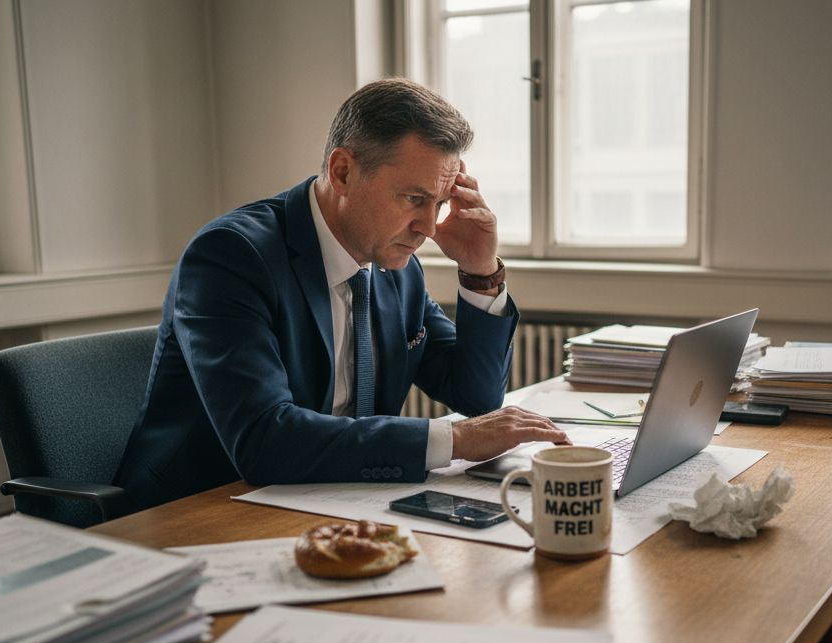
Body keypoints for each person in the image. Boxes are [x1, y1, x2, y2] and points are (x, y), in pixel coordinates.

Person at [113, 78, 566, 512]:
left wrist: (480, 271)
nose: (429, 228)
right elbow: (263, 440)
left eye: (440, 204)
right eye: (413, 198)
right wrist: (456, 439)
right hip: (202, 509)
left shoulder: (396, 269)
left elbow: (477, 398)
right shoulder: (231, 257)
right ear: (343, 171)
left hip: (334, 500)